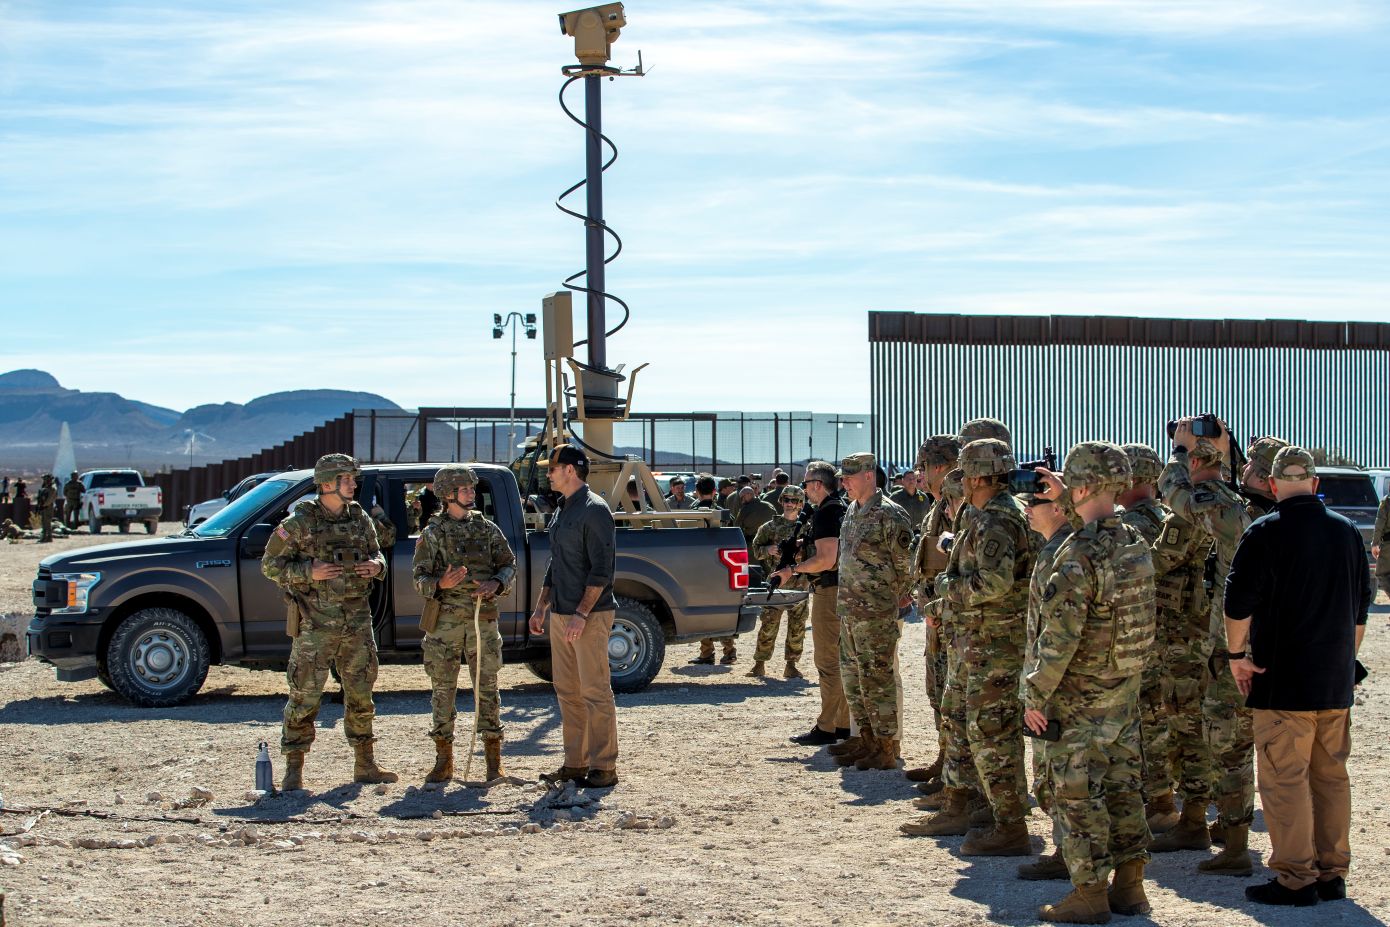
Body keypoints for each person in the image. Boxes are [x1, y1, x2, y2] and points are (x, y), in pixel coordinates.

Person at [1224, 446, 1371, 906]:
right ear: (1315, 484)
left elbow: (1237, 604)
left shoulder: (1264, 532)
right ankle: (1332, 874)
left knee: (1285, 781)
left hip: (1282, 681)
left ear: (1271, 486)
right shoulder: (1347, 532)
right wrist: (1343, 662)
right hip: (1334, 681)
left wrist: (1235, 657)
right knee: (1331, 779)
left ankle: (1295, 879)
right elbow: (1360, 610)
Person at [1024, 442, 1156, 923]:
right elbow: (1097, 531)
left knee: (1076, 795)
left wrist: (1034, 693)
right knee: (1124, 788)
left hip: (1076, 698)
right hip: (1122, 692)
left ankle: (1089, 894)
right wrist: (1070, 496)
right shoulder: (1131, 542)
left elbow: (1059, 639)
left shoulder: (1077, 555)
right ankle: (1131, 889)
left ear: (1080, 487)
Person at [1155, 421, 1254, 874]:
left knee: (1227, 740)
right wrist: (1211, 453)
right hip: (1234, 639)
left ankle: (1234, 849)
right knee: (1227, 739)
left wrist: (1179, 452)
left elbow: (1176, 493)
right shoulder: (1236, 504)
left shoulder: (1220, 505)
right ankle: (1220, 830)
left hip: (1234, 646)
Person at [261, 453, 394, 790]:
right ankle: (294, 770)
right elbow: (270, 565)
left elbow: (378, 553)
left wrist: (376, 567)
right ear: (326, 484)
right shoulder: (300, 523)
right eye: (346, 478)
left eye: (352, 478)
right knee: (304, 695)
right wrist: (310, 571)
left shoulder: (359, 517)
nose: (352, 484)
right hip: (315, 625)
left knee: (361, 694)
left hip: (357, 622)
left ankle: (365, 764)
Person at [930, 438, 1035, 855]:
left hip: (997, 640)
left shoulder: (998, 519)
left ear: (975, 475)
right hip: (978, 636)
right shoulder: (986, 514)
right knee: (962, 718)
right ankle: (974, 805)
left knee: (994, 731)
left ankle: (1010, 826)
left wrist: (946, 586)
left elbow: (993, 582)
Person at [413, 465, 517, 783]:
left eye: (473, 488)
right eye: (465, 489)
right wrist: (440, 583)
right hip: (444, 624)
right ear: (448, 495)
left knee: (487, 690)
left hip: (482, 621)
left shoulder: (487, 529)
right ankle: (444, 761)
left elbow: (508, 563)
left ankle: (492, 762)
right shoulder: (433, 534)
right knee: (442, 691)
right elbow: (418, 578)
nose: (472, 493)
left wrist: (497, 584)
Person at [528, 445, 620, 788]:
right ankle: (575, 763)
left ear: (569, 470)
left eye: (551, 468)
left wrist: (582, 613)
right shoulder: (563, 509)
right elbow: (557, 563)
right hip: (562, 613)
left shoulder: (595, 511)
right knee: (567, 690)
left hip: (589, 615)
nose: (547, 474)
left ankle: (604, 767)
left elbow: (602, 570)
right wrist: (542, 606)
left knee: (595, 691)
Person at [827, 453, 914, 770]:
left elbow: (907, 563)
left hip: (876, 613)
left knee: (879, 681)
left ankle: (887, 746)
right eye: (843, 477)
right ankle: (867, 739)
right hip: (850, 610)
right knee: (855, 680)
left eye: (848, 477)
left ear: (868, 476)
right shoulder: (852, 510)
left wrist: (902, 594)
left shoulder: (890, 514)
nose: (844, 482)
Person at [1014, 486, 1074, 881]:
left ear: (1056, 506)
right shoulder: (1054, 548)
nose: (1027, 512)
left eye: (1032, 505)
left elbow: (1058, 632)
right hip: (1051, 678)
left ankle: (1068, 852)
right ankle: (1065, 849)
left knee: (1057, 770)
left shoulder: (1063, 552)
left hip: (1055, 685)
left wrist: (1036, 689)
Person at [1117, 443, 1177, 833]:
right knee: (1160, 719)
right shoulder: (1167, 516)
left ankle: (1158, 803)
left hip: (1143, 637)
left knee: (1147, 722)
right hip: (1168, 633)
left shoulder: (1136, 524)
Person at [775, 460, 850, 746]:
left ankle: (828, 726)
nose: (804, 489)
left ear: (818, 485)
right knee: (839, 659)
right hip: (839, 589)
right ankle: (841, 723)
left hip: (830, 591)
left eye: (806, 484)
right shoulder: (839, 508)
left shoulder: (827, 512)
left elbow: (826, 559)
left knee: (828, 661)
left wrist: (792, 571)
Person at [904, 434, 963, 787]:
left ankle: (956, 773)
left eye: (923, 467)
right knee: (937, 692)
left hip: (952, 615)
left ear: (939, 466)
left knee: (953, 698)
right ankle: (946, 761)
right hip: (936, 614)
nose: (919, 475)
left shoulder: (959, 507)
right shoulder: (937, 508)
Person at [747, 485, 809, 678]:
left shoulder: (808, 528)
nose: (790, 504)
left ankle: (791, 664)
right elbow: (755, 549)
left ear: (801, 504)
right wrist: (768, 550)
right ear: (781, 501)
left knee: (797, 627)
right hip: (776, 583)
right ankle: (760, 663)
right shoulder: (769, 527)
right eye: (787, 500)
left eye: (795, 501)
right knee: (768, 625)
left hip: (800, 584)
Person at [1240, 436, 1289, 521]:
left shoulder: (1249, 515)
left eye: (1250, 464)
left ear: (1261, 480)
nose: (1244, 467)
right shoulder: (1281, 511)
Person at [1372, 487, 1390, 598]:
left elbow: (1380, 523)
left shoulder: (1387, 501)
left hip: (1388, 546)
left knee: (1381, 573)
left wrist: (1375, 543)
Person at [36, 474, 56, 543]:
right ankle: (44, 537)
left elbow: (50, 499)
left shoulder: (52, 488)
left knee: (47, 522)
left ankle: (49, 537)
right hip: (44, 507)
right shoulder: (45, 487)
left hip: (48, 507)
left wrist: (44, 505)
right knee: (43, 522)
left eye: (45, 479)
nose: (44, 481)